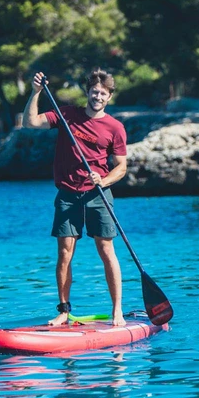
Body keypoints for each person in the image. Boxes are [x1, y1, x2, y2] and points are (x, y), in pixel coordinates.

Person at [22, 68, 128, 327]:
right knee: (65, 254)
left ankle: (117, 311)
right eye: (94, 92)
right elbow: (30, 122)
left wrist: (103, 180)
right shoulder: (67, 114)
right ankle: (64, 311)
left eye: (103, 93)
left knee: (106, 250)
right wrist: (36, 93)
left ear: (109, 96)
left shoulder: (115, 127)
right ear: (87, 92)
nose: (98, 97)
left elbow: (121, 167)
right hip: (67, 194)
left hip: (98, 195)